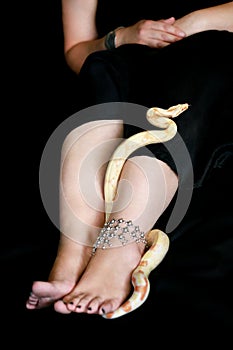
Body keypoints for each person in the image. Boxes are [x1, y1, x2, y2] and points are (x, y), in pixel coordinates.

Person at [26, 0, 233, 318]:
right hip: (132, 64)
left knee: (207, 54)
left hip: (211, 52)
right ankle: (72, 254)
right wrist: (120, 38)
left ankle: (121, 244)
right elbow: (77, 50)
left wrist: (189, 26)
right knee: (100, 68)